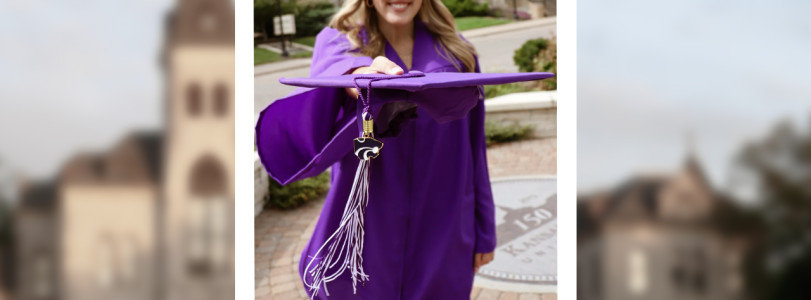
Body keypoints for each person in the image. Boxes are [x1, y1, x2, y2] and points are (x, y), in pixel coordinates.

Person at [255, 0, 496, 298]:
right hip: (368, 226)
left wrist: (485, 231)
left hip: (443, 223)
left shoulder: (459, 54)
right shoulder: (340, 43)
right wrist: (362, 77)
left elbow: (476, 147)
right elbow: (338, 72)